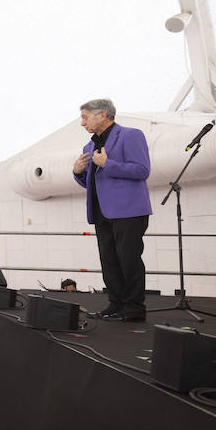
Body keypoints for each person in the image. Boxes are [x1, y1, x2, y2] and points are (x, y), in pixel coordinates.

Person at [73, 98, 151, 322]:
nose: (82, 123)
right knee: (109, 261)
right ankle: (115, 303)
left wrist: (108, 164)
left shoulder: (131, 135)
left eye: (85, 117)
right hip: (101, 212)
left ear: (102, 115)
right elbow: (93, 183)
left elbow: (142, 170)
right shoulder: (89, 147)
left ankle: (135, 308)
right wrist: (78, 172)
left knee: (129, 260)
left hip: (129, 211)